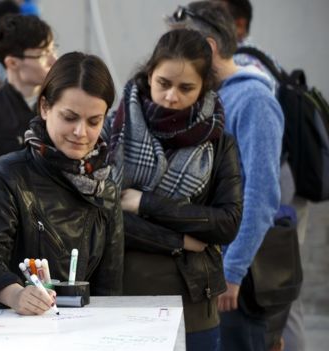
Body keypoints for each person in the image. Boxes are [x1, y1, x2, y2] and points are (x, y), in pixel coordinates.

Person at [106, 28, 243, 351]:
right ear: (149, 74)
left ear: (204, 87)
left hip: (192, 301)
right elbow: (101, 216)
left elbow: (227, 223)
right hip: (122, 295)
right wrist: (179, 239)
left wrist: (144, 203)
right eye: (163, 84)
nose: (171, 97)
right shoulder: (113, 128)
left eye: (186, 88)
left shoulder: (219, 143)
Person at [0, 52, 123, 315]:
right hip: (12, 330)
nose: (80, 132)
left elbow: (110, 288)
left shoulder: (104, 185)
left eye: (94, 121)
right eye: (69, 117)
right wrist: (16, 294)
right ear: (44, 107)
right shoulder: (6, 175)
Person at [167, 2, 284, 350]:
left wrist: (233, 272)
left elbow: (262, 195)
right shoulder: (216, 96)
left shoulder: (253, 100)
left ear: (209, 46)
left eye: (181, 45)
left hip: (239, 279)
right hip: (214, 269)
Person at [220, 3, 309, 347]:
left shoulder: (248, 72)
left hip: (277, 188)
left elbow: (261, 191)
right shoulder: (261, 58)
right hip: (282, 182)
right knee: (278, 292)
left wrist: (233, 269)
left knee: (273, 289)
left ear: (238, 25)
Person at [0, 13, 57, 183]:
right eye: (43, 54)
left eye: (54, 49)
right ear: (12, 63)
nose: (54, 60)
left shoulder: (62, 102)